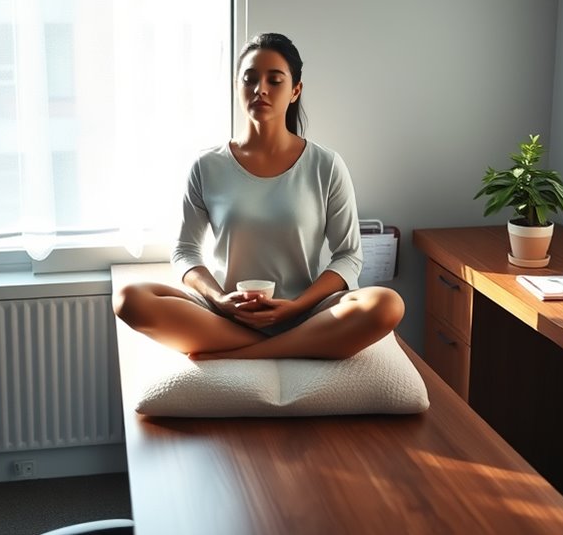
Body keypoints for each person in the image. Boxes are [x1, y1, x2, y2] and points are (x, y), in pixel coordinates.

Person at [113, 32, 403, 360]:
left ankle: (243, 352)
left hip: (303, 315)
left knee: (387, 305)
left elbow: (348, 255)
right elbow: (185, 251)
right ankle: (273, 348)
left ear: (295, 90)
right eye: (249, 79)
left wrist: (295, 307)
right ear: (238, 87)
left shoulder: (326, 166)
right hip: (224, 315)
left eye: (274, 80)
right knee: (128, 298)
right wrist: (219, 299)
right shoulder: (207, 166)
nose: (260, 89)